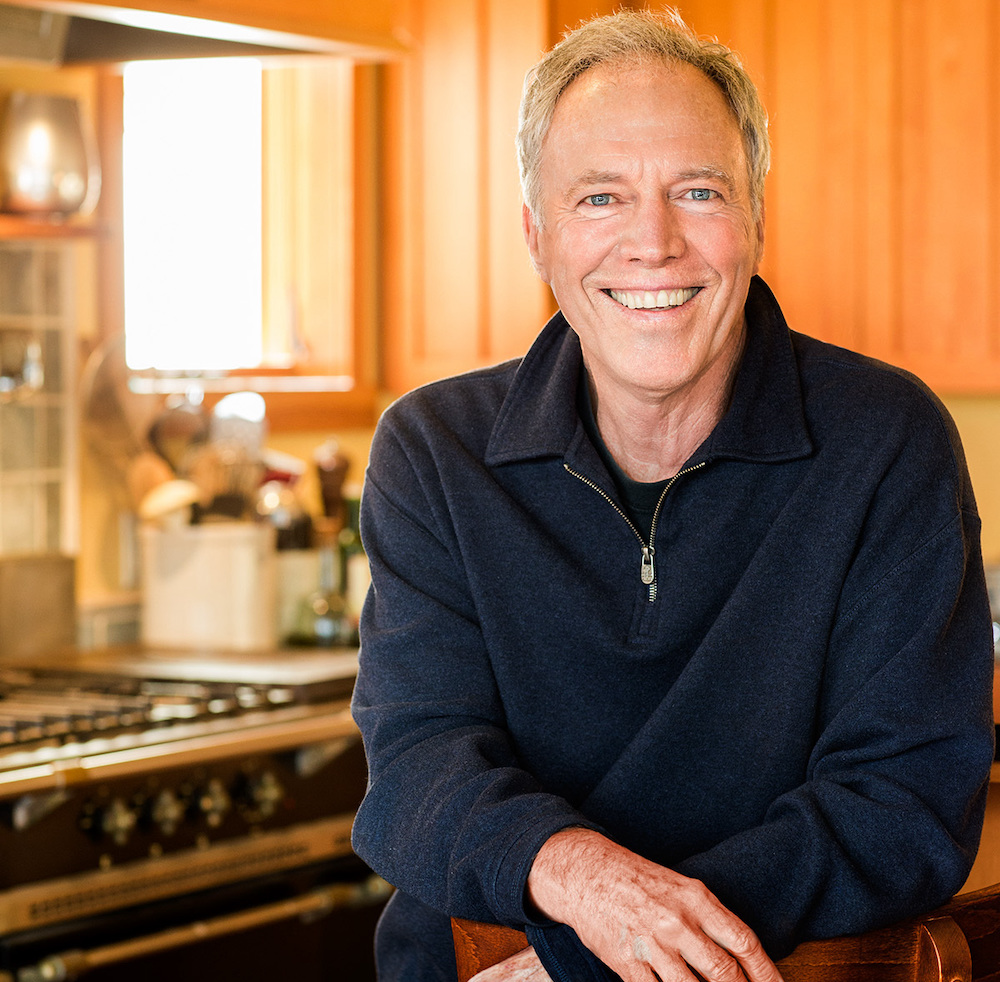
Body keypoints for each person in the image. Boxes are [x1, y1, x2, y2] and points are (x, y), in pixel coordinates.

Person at [350, 8, 996, 982]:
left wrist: (589, 962)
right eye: (600, 198)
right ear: (536, 234)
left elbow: (899, 804)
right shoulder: (432, 447)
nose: (652, 243)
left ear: (755, 218)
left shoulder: (885, 437)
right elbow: (415, 768)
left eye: (696, 191)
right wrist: (585, 886)